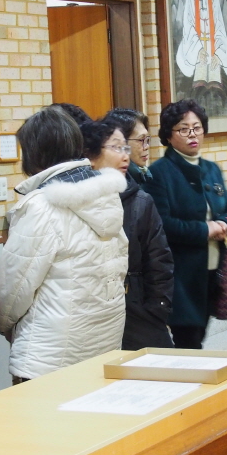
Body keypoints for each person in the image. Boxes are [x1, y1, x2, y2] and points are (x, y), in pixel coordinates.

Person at [0, 106, 128, 381]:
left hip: (47, 359)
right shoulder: (106, 196)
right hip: (103, 347)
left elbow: (10, 292)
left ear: (33, 153)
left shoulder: (41, 206)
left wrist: (3, 325)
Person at [146, 99, 227, 349]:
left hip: (214, 267)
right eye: (183, 129)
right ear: (168, 135)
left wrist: (226, 224)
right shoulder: (159, 173)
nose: (192, 134)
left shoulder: (211, 169)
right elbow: (163, 224)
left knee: (199, 334)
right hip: (181, 274)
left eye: (197, 128)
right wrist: (205, 230)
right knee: (189, 339)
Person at [82, 119, 174, 350]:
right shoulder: (76, 203)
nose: (125, 156)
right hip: (92, 318)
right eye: (116, 148)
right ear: (90, 156)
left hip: (139, 311)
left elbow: (159, 261)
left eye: (125, 147)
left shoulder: (140, 201)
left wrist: (158, 309)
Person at [104, 107, 154, 188]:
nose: (147, 146)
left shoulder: (143, 176)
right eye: (141, 140)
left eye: (147, 140)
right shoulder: (114, 183)